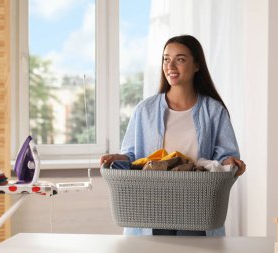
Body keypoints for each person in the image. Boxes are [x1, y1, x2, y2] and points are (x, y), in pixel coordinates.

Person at [100, 34, 246, 236]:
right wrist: (120, 158)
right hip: (151, 208)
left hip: (198, 209)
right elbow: (134, 159)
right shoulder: (144, 111)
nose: (170, 66)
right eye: (166, 59)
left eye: (180, 59)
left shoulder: (214, 111)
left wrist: (231, 162)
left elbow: (222, 161)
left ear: (196, 65)